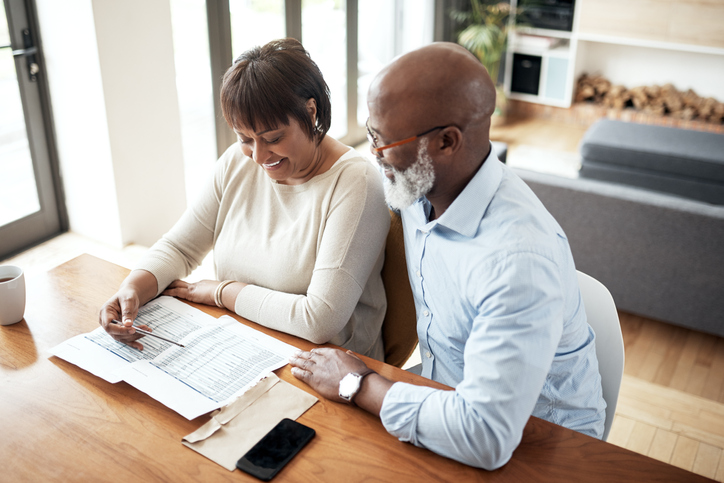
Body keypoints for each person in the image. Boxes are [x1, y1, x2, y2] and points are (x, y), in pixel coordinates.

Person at [289, 42, 606, 470]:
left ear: (446, 142)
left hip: (540, 442)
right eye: (371, 135)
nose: (374, 155)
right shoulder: (420, 187)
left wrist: (356, 383)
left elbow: (485, 436)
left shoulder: (518, 261)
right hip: (442, 391)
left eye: (383, 142)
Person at [98, 38, 390, 360]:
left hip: (332, 369)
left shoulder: (355, 183)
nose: (259, 156)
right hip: (245, 345)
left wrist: (221, 292)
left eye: (273, 138)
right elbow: (180, 247)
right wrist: (132, 289)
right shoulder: (237, 163)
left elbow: (319, 319)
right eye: (245, 139)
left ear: (310, 111)